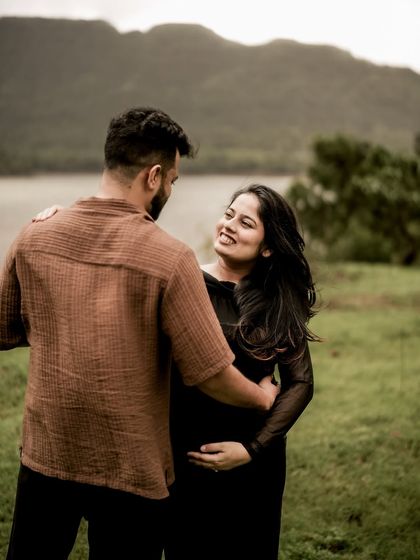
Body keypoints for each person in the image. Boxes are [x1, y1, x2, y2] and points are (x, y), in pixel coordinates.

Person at [0, 107, 278, 560]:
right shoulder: (171, 258)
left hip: (47, 455)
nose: (170, 188)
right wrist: (262, 398)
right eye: (172, 179)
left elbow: (6, 328)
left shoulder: (35, 235)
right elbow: (210, 373)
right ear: (153, 176)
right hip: (130, 469)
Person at [166, 183, 319, 560]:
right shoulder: (184, 282)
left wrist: (252, 450)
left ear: (268, 246)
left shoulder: (278, 301)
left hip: (254, 463)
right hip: (183, 454)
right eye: (229, 214)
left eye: (246, 222)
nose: (229, 225)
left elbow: (300, 381)